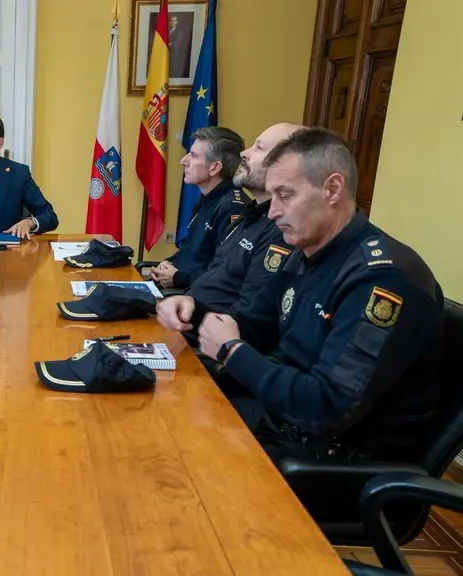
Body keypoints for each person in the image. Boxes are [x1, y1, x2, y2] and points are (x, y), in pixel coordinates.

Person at [158, 128, 443, 484]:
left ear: (332, 189)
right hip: (284, 422)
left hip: (335, 462)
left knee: (174, 466)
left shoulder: (382, 279)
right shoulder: (307, 254)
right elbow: (255, 325)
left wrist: (231, 351)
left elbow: (327, 409)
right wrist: (194, 309)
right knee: (160, 414)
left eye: (285, 195)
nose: (273, 212)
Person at [182, 123, 305, 319]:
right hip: (188, 314)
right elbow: (215, 276)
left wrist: (189, 311)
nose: (244, 154)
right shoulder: (250, 216)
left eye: (259, 148)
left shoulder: (282, 229)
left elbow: (249, 317)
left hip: (203, 330)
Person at [152, 126, 247, 290]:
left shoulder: (232, 208)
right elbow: (193, 250)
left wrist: (178, 277)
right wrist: (168, 263)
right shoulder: (207, 196)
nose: (184, 161)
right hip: (177, 286)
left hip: (192, 295)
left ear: (214, 167)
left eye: (194, 155)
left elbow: (226, 274)